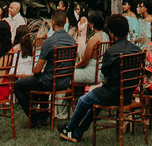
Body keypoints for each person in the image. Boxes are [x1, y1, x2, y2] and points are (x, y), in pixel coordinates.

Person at [58, 14, 140, 143]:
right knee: (95, 105)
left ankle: (69, 128)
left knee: (83, 100)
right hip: (128, 94)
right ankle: (77, 133)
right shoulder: (137, 50)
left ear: (111, 33)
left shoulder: (111, 52)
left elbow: (104, 78)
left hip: (111, 94)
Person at [14, 9, 76, 127]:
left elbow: (37, 70)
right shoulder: (72, 41)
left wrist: (36, 71)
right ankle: (43, 116)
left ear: (53, 22)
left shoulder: (50, 41)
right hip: (65, 81)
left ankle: (34, 117)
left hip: (50, 81)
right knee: (42, 80)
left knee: (18, 86)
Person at [73, 11, 108, 86]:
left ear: (92, 24)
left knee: (66, 74)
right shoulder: (106, 36)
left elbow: (84, 62)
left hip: (91, 73)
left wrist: (74, 67)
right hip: (102, 71)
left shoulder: (93, 39)